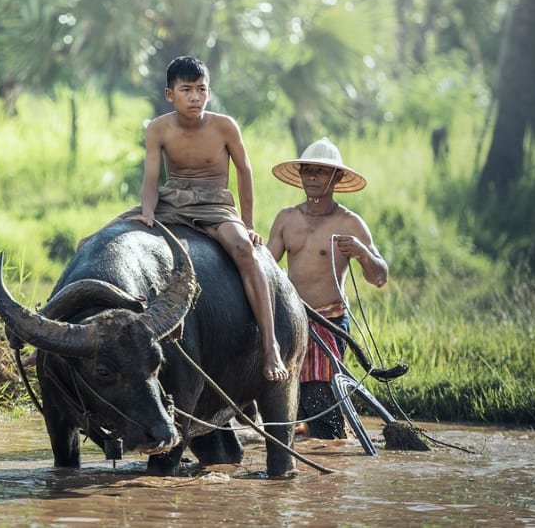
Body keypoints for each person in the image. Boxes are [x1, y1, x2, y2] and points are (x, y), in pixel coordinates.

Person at [123, 56, 288, 382]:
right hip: (173, 200)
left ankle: (271, 346)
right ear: (170, 94)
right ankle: (55, 338)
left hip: (214, 203)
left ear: (209, 92)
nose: (195, 97)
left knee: (243, 250)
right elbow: (151, 179)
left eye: (201, 90)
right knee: (100, 239)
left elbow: (244, 171)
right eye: (186, 90)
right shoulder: (159, 128)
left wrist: (249, 223)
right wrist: (146, 212)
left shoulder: (224, 125)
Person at [265, 137, 388, 439]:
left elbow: (380, 277)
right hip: (291, 321)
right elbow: (267, 267)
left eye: (321, 172)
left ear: (337, 177)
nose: (313, 178)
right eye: (308, 171)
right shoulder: (286, 219)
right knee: (289, 403)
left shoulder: (349, 223)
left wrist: (361, 252)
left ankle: (333, 448)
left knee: (320, 398)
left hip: (328, 322)